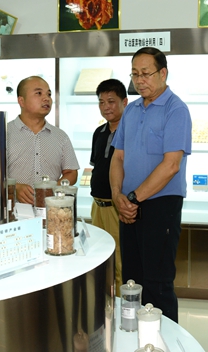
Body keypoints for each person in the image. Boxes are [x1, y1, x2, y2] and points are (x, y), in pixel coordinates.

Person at [109, 47, 192, 323]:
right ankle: (134, 335)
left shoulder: (176, 109)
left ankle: (163, 339)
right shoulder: (131, 110)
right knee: (132, 280)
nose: (139, 80)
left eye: (146, 73)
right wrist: (117, 196)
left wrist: (132, 198)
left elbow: (171, 165)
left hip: (160, 207)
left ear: (163, 73)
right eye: (135, 74)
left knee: (158, 283)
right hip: (128, 207)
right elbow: (118, 157)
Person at [7, 76, 79, 204]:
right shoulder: (3, 133)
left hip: (51, 210)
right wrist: (13, 187)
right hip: (13, 210)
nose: (47, 98)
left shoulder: (60, 136)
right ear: (21, 101)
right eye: (39, 93)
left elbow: (71, 173)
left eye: (49, 94)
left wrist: (52, 189)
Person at [90, 78, 128, 297]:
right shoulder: (99, 132)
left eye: (111, 101)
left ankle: (122, 305)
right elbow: (96, 166)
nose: (106, 107)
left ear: (125, 102)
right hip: (97, 206)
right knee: (99, 256)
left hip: (117, 207)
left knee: (119, 260)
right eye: (101, 102)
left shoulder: (130, 132)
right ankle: (102, 303)